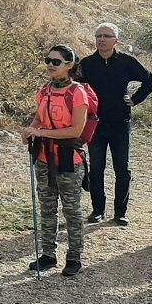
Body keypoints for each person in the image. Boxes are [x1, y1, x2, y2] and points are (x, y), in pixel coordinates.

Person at [79, 22, 152, 226]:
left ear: (116, 40)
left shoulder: (126, 62)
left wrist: (135, 99)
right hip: (94, 123)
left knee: (122, 169)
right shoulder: (87, 64)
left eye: (106, 36)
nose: (102, 40)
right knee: (96, 168)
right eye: (98, 36)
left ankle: (120, 212)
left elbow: (149, 80)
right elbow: (75, 88)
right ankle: (98, 210)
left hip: (120, 122)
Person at [23, 44, 89, 276]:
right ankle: (48, 254)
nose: (50, 65)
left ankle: (74, 257)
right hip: (44, 158)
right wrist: (30, 130)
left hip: (69, 159)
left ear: (70, 65)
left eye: (56, 62)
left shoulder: (77, 92)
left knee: (72, 210)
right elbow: (39, 118)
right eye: (48, 60)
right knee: (47, 208)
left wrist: (41, 132)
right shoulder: (45, 90)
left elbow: (76, 130)